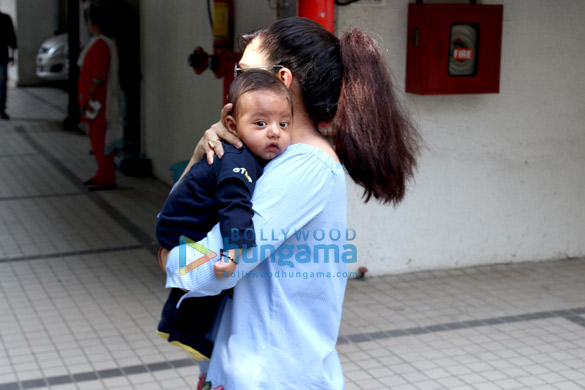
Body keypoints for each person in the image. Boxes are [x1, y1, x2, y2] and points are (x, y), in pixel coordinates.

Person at [163, 17, 420, 390]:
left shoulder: (305, 168)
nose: (235, 88)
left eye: (244, 72)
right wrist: (200, 158)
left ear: (281, 79)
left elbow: (210, 268)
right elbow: (182, 214)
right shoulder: (270, 161)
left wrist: (164, 255)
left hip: (271, 376)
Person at [155, 70, 292, 380]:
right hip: (181, 232)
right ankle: (192, 337)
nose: (274, 132)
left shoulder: (249, 153)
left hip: (182, 225)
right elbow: (235, 208)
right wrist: (230, 255)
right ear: (232, 125)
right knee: (206, 295)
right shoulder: (238, 160)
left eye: (283, 124)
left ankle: (188, 336)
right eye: (261, 124)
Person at [77, 5, 121, 191]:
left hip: (99, 103)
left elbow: (98, 75)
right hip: (97, 102)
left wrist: (88, 97)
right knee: (97, 141)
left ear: (94, 23)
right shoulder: (104, 42)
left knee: (101, 141)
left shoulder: (102, 44)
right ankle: (101, 172)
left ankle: (106, 177)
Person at [0, 8, 17, 120]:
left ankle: (2, 109)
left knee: (2, 84)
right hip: (3, 56)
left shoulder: (5, 19)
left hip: (2, 56)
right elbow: (12, 38)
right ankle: (2, 110)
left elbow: (12, 37)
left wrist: (13, 55)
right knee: (2, 84)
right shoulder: (5, 18)